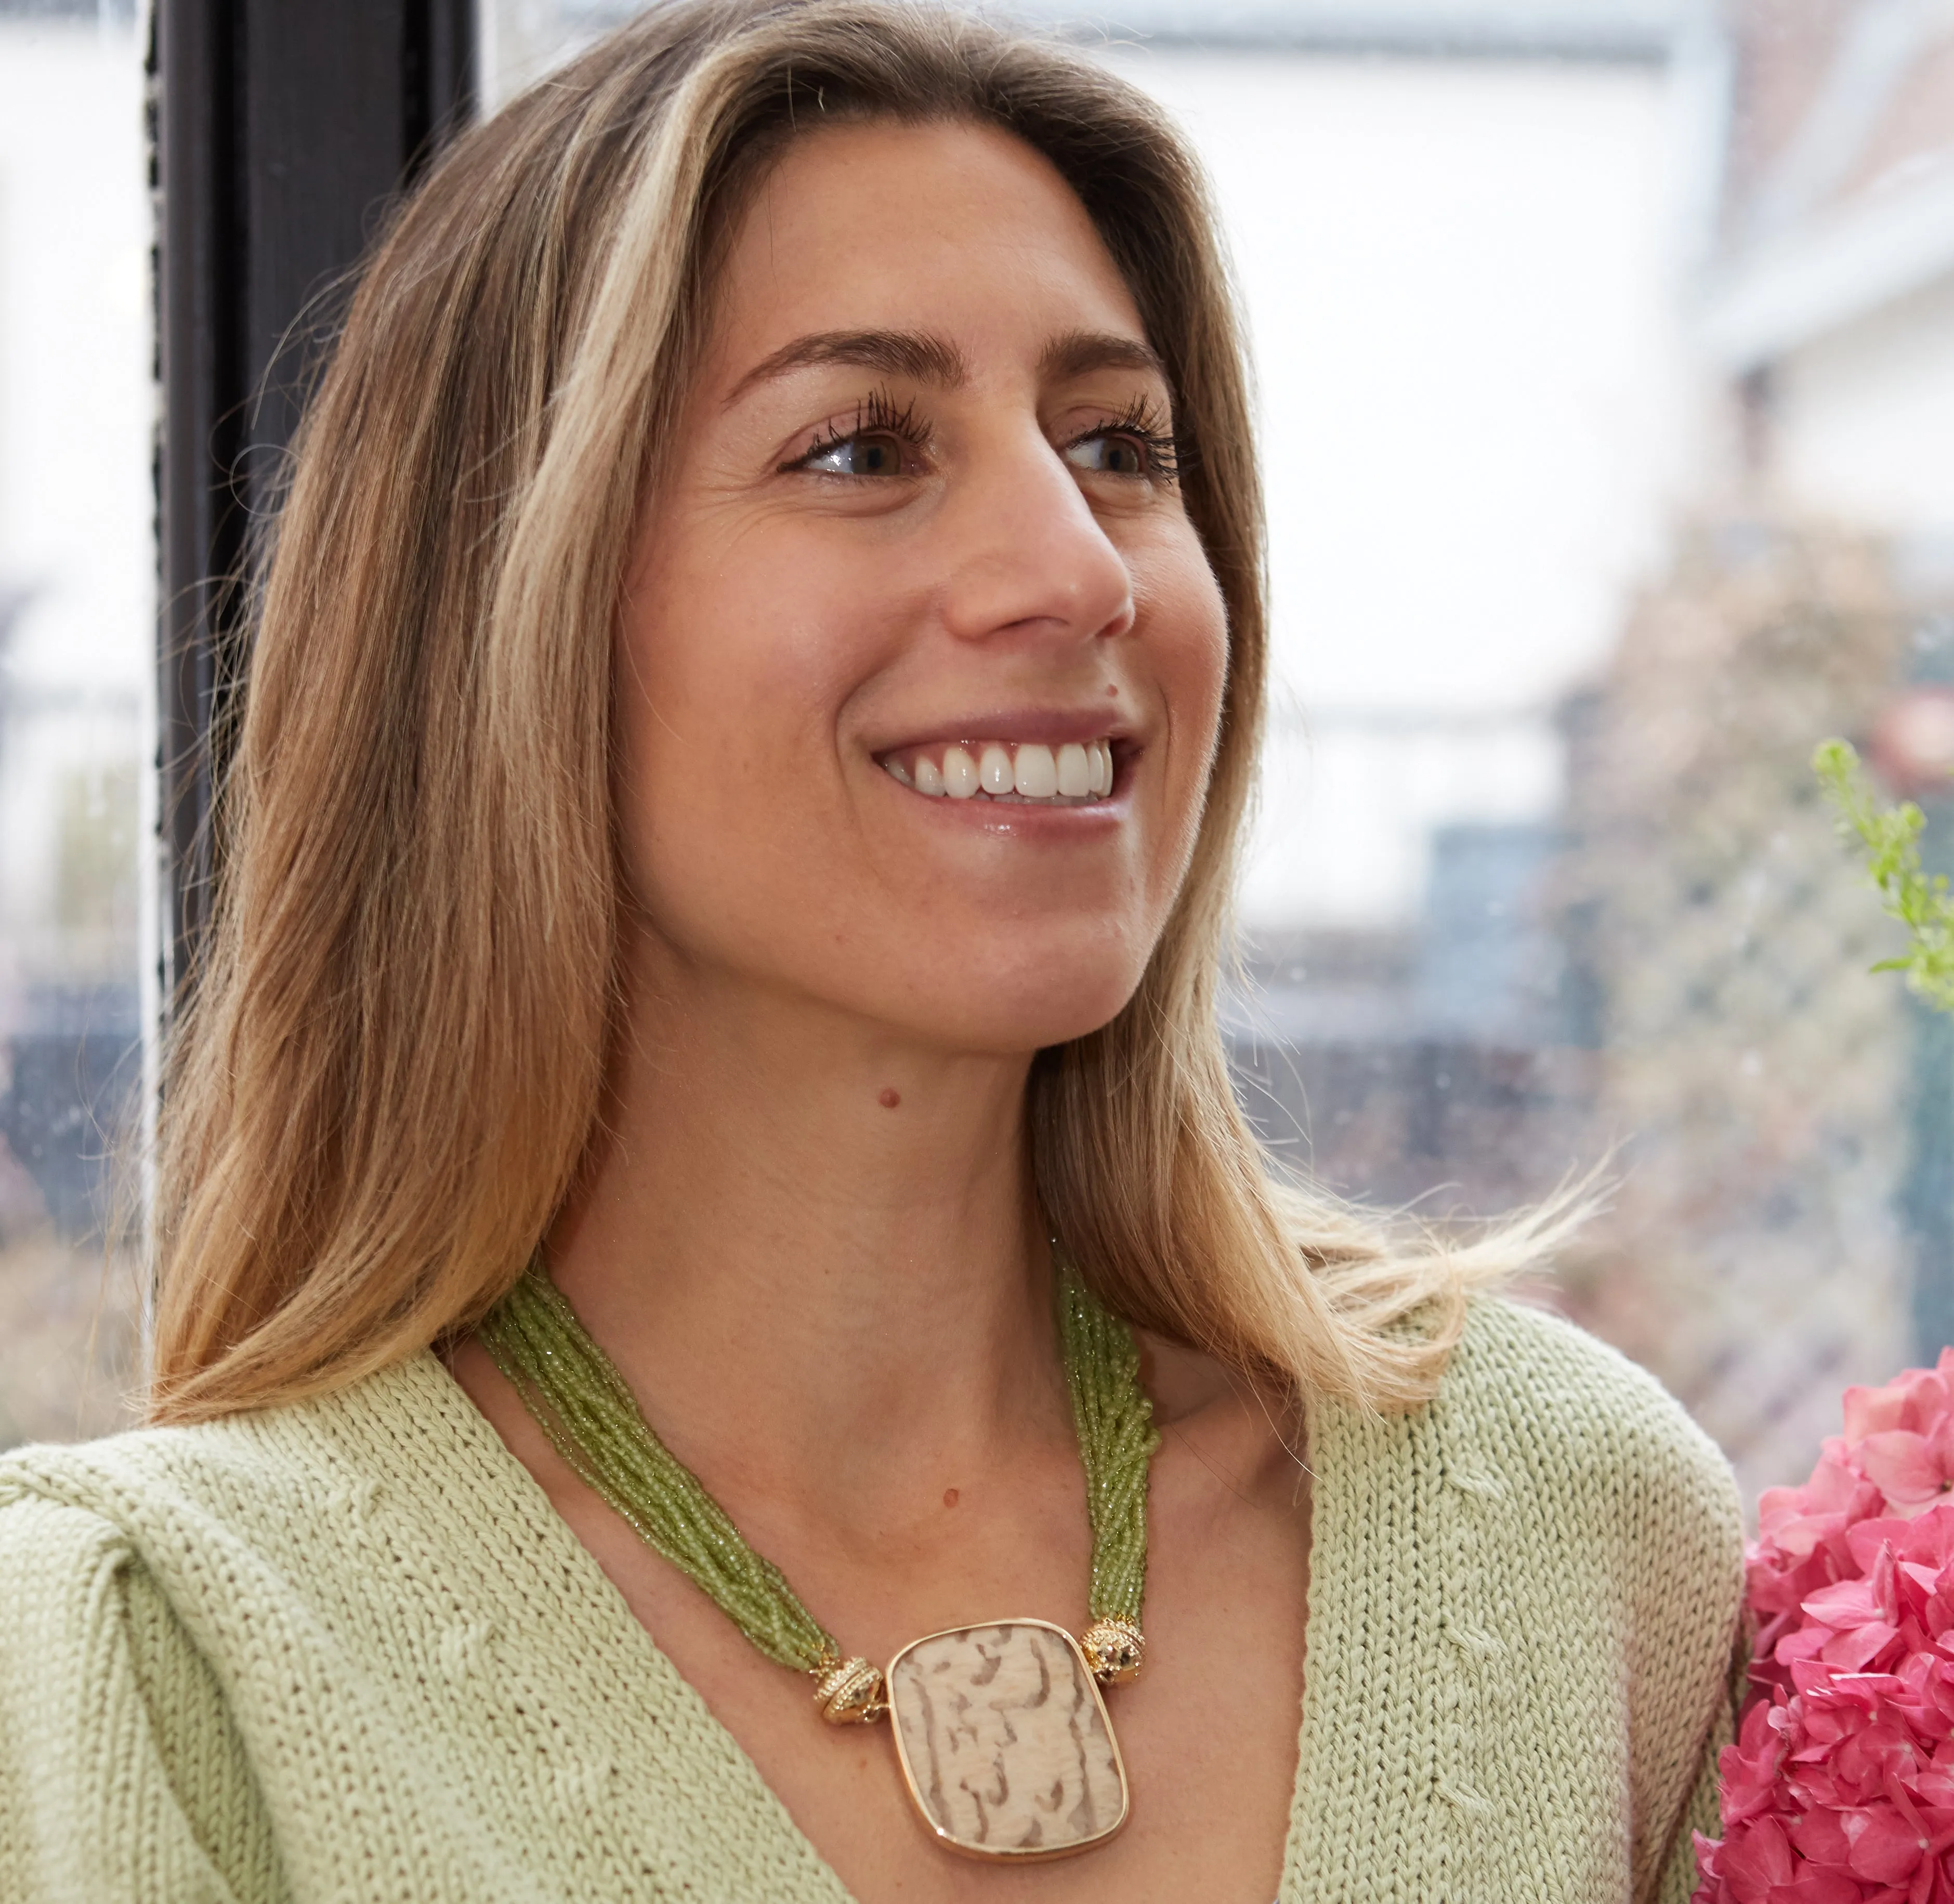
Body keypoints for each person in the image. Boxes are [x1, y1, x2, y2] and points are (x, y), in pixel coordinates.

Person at [0, 2, 1743, 1898]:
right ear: (505, 612)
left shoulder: (1579, 1533)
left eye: (1118, 444)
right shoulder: (151, 1665)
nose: (1078, 565)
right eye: (857, 448)